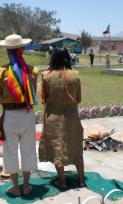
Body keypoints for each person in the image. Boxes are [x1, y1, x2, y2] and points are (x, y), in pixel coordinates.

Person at [0, 34, 39, 196]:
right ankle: (26, 185)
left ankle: (16, 187)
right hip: (27, 115)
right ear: (22, 50)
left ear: (7, 51)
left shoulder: (0, 73)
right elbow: (33, 95)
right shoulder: (32, 71)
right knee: (28, 150)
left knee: (10, 151)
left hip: (10, 116)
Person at [38, 47, 85, 189]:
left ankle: (63, 182)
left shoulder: (46, 76)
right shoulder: (75, 75)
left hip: (54, 118)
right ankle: (82, 181)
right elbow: (78, 98)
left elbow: (43, 99)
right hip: (72, 118)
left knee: (58, 149)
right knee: (76, 148)